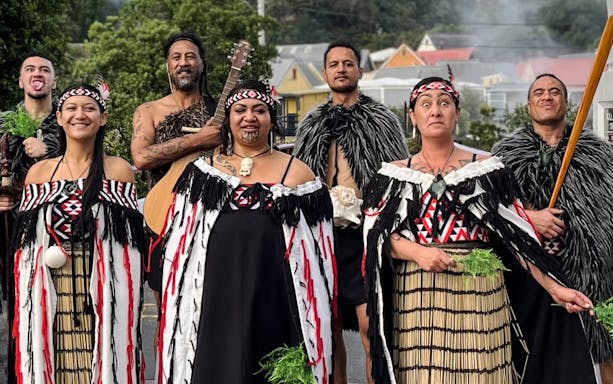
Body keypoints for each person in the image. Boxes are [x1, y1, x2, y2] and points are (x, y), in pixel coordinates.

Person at [362, 76, 594, 384]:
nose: (435, 111)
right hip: (417, 296)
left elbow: (519, 237)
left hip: (479, 293)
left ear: (457, 113)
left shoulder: (487, 169)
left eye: (444, 104)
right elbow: (374, 235)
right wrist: (417, 252)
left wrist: (556, 289)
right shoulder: (393, 175)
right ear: (412, 116)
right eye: (426, 104)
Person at [156, 80, 334, 383]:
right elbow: (180, 249)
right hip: (213, 297)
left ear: (272, 119)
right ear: (228, 120)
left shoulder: (298, 174)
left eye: (259, 110)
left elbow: (319, 258)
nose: (249, 116)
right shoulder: (203, 173)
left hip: (278, 299)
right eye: (240, 110)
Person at [10, 83, 146, 383]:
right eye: (71, 108)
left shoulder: (118, 170)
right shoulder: (40, 173)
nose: (79, 115)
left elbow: (129, 248)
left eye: (89, 108)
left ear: (103, 118)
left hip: (103, 289)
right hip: (50, 289)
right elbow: (26, 248)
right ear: (59, 117)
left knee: (102, 360)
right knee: (55, 365)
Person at [293, 41, 409, 384]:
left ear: (359, 71)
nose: (341, 68)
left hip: (366, 235)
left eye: (348, 63)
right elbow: (299, 178)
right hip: (323, 235)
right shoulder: (310, 123)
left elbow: (398, 176)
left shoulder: (382, 119)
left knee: (371, 326)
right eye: (334, 64)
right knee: (327, 330)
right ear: (326, 72)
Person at [492, 73, 613, 383]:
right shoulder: (504, 156)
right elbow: (493, 212)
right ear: (529, 104)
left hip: (591, 267)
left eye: (555, 92)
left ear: (566, 102)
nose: (547, 97)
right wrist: (532, 219)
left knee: (606, 349)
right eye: (539, 92)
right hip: (530, 270)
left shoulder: (597, 154)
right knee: (531, 352)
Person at [130, 31, 221, 303]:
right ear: (168, 66)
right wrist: (198, 140)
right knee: (168, 306)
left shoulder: (220, 111)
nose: (184, 62)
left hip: (215, 215)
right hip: (164, 216)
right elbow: (141, 158)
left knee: (215, 302)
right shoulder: (149, 111)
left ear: (202, 64)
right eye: (176, 57)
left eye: (191, 56)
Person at [0, 52, 62, 383]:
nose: (37, 74)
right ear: (21, 81)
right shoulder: (4, 124)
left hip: (60, 226)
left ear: (54, 81)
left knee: (64, 305)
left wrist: (49, 150)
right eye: (29, 69)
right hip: (13, 227)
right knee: (20, 308)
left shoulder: (69, 119)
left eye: (44, 70)